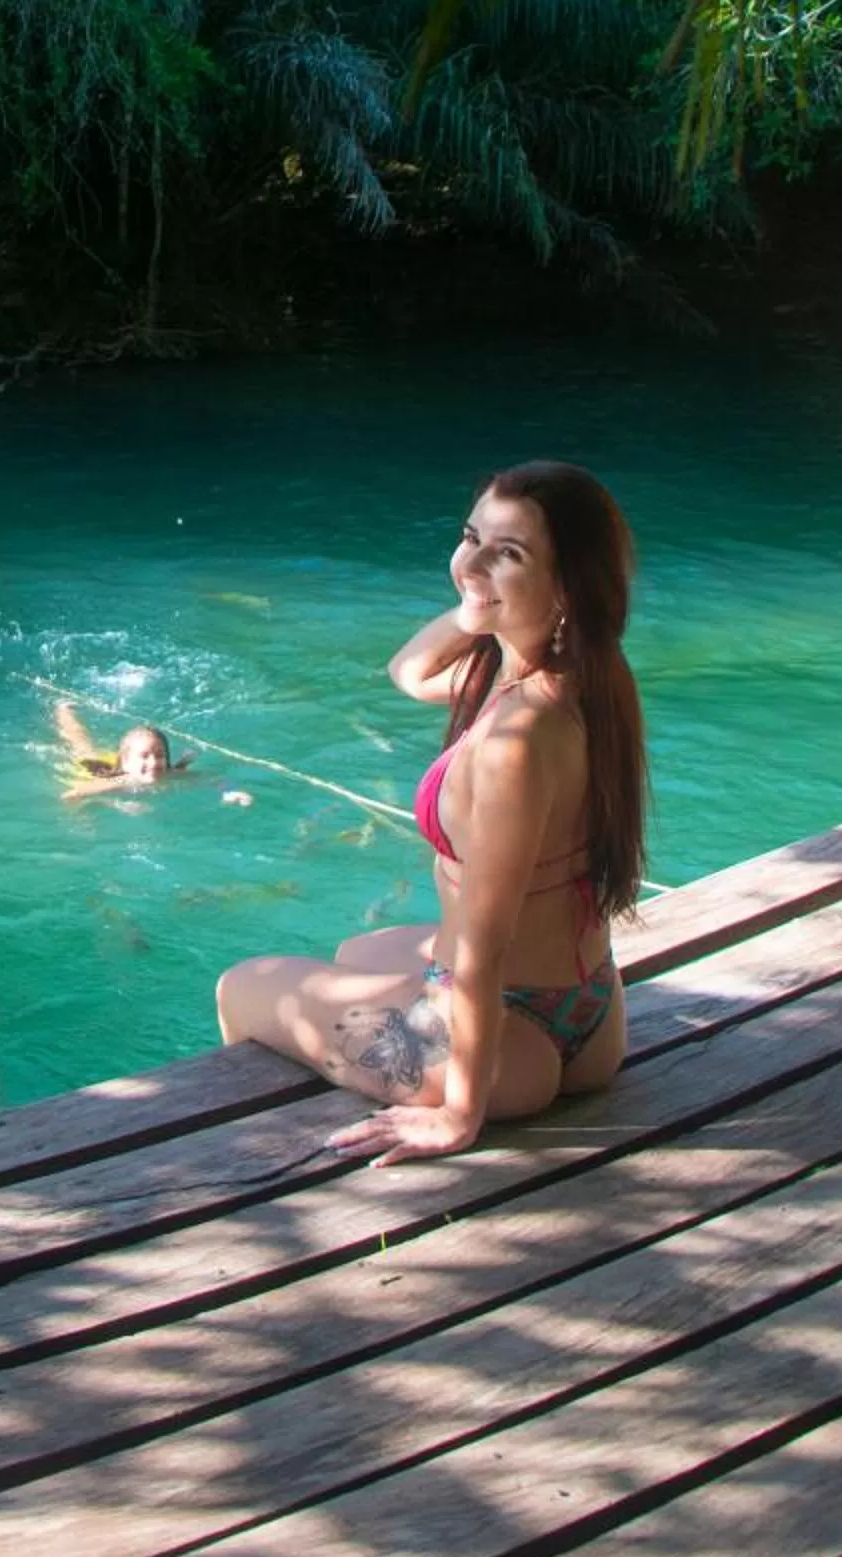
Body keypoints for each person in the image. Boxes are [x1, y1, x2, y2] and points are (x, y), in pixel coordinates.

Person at [216, 460, 645, 1165]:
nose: (470, 562)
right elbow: (409, 672)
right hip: (590, 1014)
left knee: (243, 985)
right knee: (357, 952)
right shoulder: (585, 675)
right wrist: (480, 599)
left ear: (567, 585)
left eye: (508, 554)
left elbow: (485, 949)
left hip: (503, 1051)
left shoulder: (516, 743)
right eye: (469, 537)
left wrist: (458, 1116)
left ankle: (256, 1172)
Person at [53, 699, 190, 792]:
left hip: (122, 760)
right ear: (125, 764)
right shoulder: (115, 783)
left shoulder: (169, 774)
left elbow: (205, 779)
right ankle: (64, 711)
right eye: (144, 756)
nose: (153, 762)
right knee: (82, 746)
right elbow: (72, 795)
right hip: (98, 769)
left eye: (160, 755)